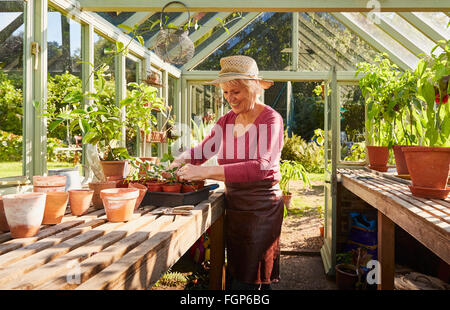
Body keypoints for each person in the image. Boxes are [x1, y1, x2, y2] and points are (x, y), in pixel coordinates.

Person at [170, 55, 284, 290]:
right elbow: (203, 150)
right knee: (242, 274)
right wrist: (177, 163)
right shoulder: (226, 121)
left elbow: (261, 167)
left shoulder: (271, 119)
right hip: (235, 207)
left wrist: (204, 172)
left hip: (262, 209)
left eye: (236, 92)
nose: (230, 99)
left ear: (254, 88)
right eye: (225, 93)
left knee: (250, 278)